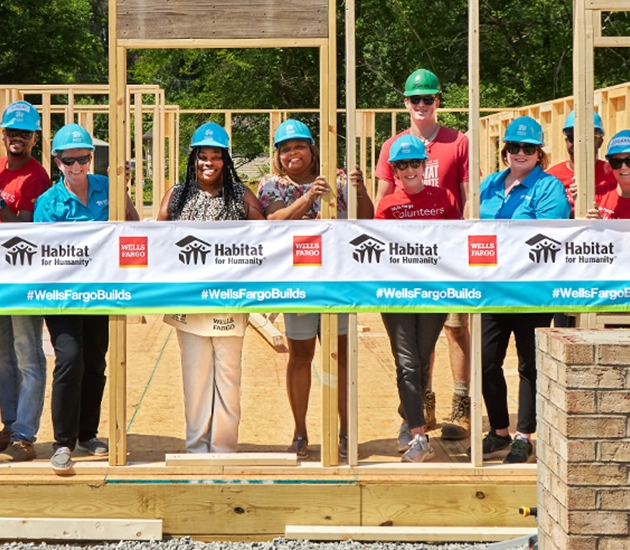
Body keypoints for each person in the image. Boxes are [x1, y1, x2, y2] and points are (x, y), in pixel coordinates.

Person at [255, 119, 372, 459]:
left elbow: (367, 219)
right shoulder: (272, 185)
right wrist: (309, 197)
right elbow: (273, 222)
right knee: (300, 356)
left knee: (341, 357)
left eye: (299, 146)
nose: (293, 153)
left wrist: (360, 190)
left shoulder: (337, 180)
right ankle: (300, 432)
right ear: (278, 155)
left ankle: (346, 432)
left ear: (312, 150)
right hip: (298, 282)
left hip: (337, 280)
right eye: (286, 149)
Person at [33, 124, 139, 473]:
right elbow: (44, 253)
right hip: (62, 296)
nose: (77, 167)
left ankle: (87, 434)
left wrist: (122, 191)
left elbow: (133, 225)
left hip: (101, 292)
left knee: (95, 362)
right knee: (69, 359)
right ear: (57, 162)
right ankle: (62, 442)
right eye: (69, 161)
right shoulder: (48, 203)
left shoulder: (106, 188)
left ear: (91, 158)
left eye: (83, 159)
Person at [373, 69, 472, 441]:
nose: (421, 104)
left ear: (437, 101)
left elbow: (467, 199)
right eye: (415, 99)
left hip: (444, 260)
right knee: (412, 349)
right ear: (406, 102)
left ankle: (460, 406)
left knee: (455, 329)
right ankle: (419, 409)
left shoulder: (457, 141)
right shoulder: (392, 145)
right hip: (405, 267)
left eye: (427, 98)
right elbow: (384, 203)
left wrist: (462, 250)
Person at [157, 122, 261, 453]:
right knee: (195, 378)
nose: (209, 163)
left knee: (228, 377)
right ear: (194, 158)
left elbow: (264, 239)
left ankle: (224, 448)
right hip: (188, 303)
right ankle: (196, 448)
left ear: (225, 160)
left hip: (229, 301)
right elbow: (158, 239)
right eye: (203, 156)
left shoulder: (241, 195)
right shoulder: (177, 195)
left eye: (216, 157)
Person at [474, 116, 569, 463]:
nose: (520, 152)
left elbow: (546, 235)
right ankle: (499, 430)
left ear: (539, 153)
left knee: (530, 364)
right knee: (486, 361)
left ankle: (524, 435)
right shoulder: (488, 185)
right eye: (514, 146)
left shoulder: (549, 187)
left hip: (532, 289)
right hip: (493, 287)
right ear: (505, 151)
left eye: (528, 147)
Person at [0, 101, 52, 463]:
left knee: (28, 354)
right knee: (2, 357)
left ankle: (24, 435)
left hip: (23, 276)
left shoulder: (37, 176)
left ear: (35, 138)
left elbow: (27, 230)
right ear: (2, 134)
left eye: (25, 133)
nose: (18, 138)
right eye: (12, 132)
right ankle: (10, 424)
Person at [376, 134, 462, 462]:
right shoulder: (388, 205)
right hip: (397, 293)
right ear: (394, 171)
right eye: (402, 165)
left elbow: (455, 240)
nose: (409, 170)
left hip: (433, 292)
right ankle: (418, 435)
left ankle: (407, 415)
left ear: (425, 166)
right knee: (407, 362)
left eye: (415, 163)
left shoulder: (444, 198)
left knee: (422, 360)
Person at [545, 110, 617, 213]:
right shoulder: (552, 178)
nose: (579, 143)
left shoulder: (614, 175)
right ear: (566, 142)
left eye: (587, 138)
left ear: (600, 142)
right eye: (572, 137)